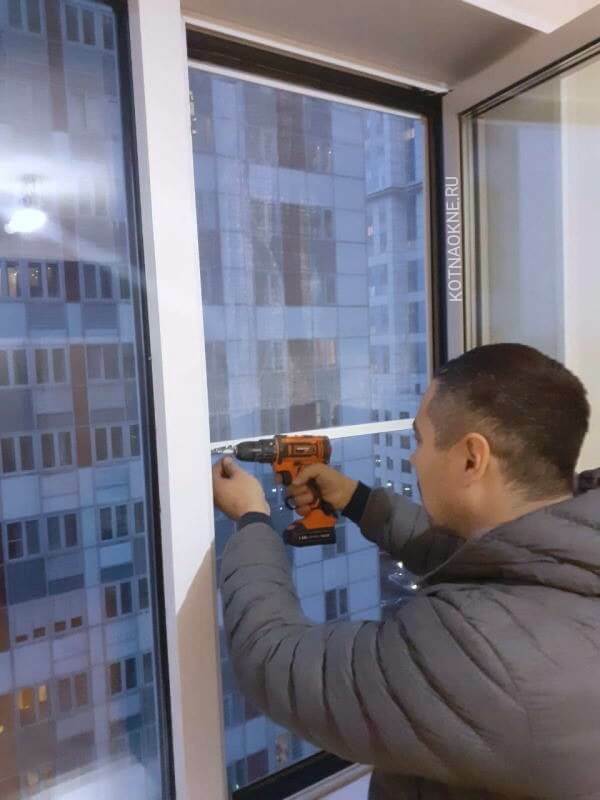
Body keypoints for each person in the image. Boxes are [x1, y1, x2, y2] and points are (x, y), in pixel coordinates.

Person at [212, 343, 600, 800]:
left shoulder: (480, 651)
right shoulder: (568, 563)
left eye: (420, 441)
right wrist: (357, 500)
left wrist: (252, 520)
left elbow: (274, 661)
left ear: (472, 459)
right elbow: (475, 559)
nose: (414, 460)